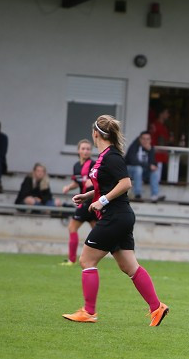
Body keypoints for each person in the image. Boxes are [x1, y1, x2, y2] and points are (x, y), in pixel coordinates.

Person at [63, 115, 169, 326]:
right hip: (120, 217)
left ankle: (89, 312)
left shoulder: (111, 156)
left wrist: (101, 200)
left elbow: (125, 183)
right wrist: (88, 196)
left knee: (87, 260)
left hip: (115, 216)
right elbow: (108, 185)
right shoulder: (105, 157)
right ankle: (157, 307)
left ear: (96, 133)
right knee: (129, 267)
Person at [61, 139, 96, 265]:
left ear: (91, 151)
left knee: (72, 227)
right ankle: (113, 252)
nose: (86, 151)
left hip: (90, 201)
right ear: (78, 150)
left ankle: (72, 260)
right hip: (87, 202)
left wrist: (92, 182)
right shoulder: (76, 166)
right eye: (83, 148)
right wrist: (69, 187)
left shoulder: (93, 164)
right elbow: (77, 182)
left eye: (88, 149)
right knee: (98, 232)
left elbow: (101, 179)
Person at [125, 130, 163, 201]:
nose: (145, 141)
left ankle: (154, 195)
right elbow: (133, 161)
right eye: (143, 139)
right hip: (130, 170)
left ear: (150, 140)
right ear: (140, 139)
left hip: (143, 172)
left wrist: (149, 151)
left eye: (147, 139)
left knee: (155, 171)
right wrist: (149, 166)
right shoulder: (134, 146)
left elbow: (153, 163)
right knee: (138, 169)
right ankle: (137, 194)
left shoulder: (150, 148)